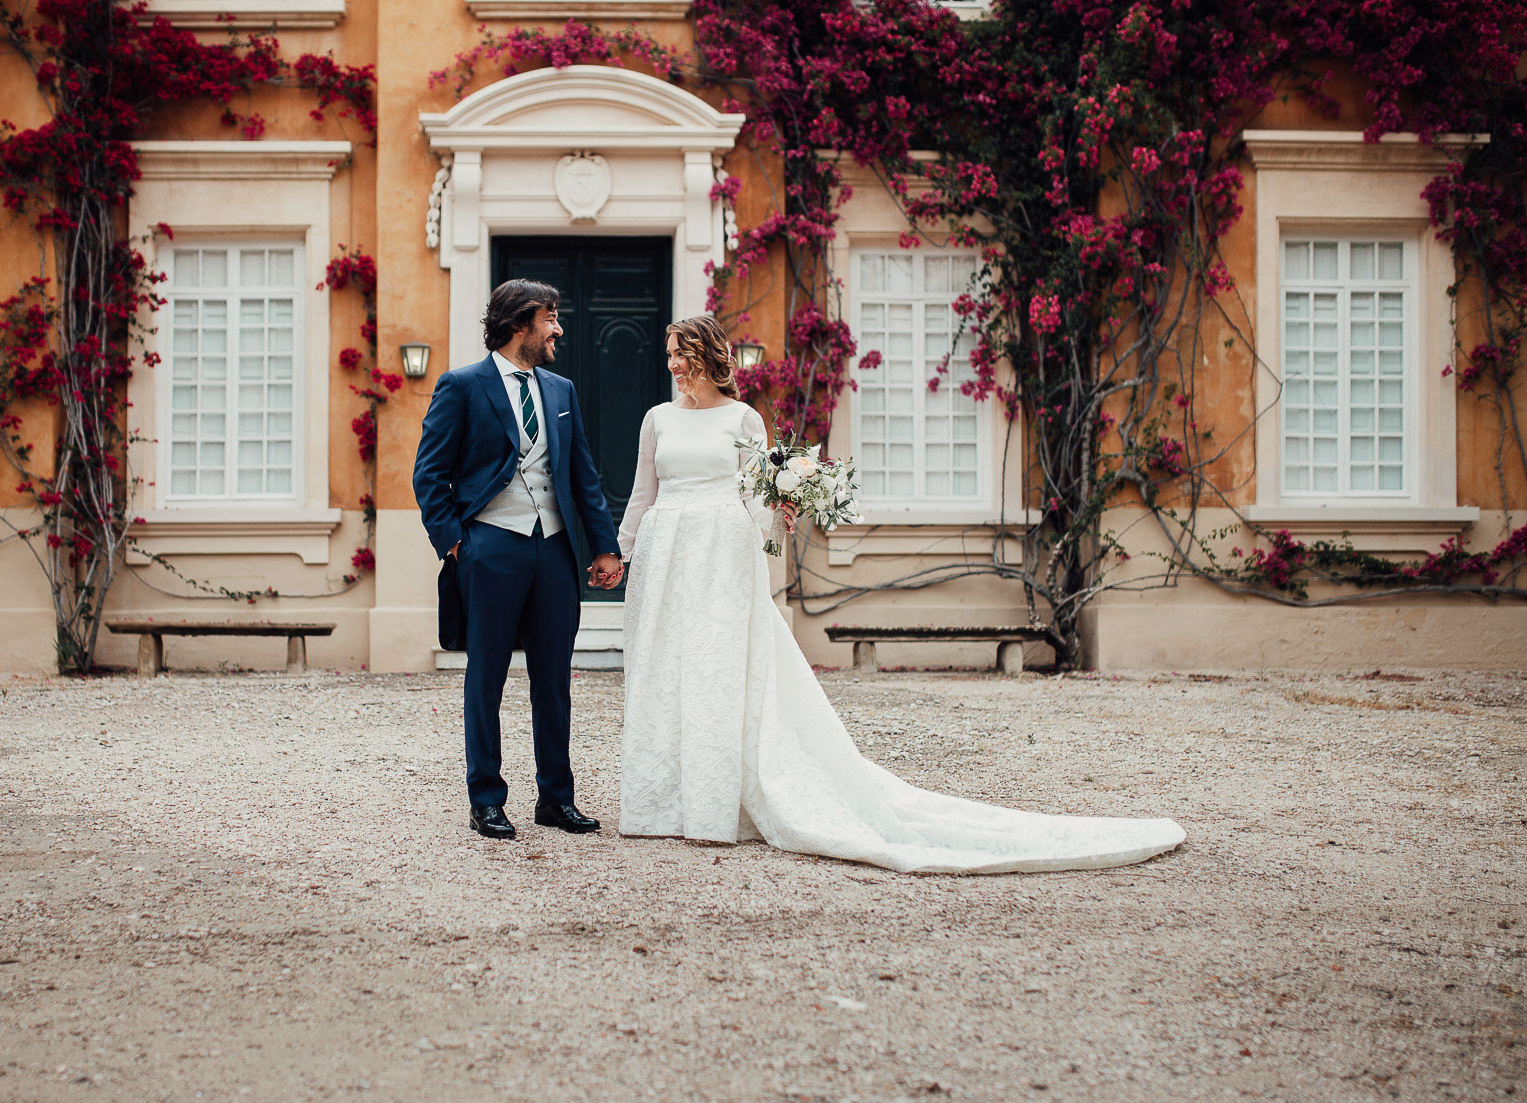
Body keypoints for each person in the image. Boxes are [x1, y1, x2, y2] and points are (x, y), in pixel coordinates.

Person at [614, 314, 1185, 873]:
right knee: (667, 670)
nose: (673, 367)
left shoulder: (744, 419)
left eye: (681, 356)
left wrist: (777, 515)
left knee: (716, 669)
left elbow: (756, 499)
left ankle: (715, 805)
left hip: (721, 554)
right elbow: (643, 493)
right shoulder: (655, 418)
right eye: (668, 356)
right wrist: (622, 553)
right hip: (667, 555)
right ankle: (662, 802)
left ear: (711, 357)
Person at [412, 279, 625, 840]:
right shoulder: (461, 386)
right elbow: (428, 474)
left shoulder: (561, 390)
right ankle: (486, 799)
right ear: (518, 324)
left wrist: (604, 546)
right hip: (490, 547)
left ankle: (556, 798)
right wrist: (456, 542)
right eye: (549, 319)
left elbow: (582, 474)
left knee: (553, 679)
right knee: (486, 678)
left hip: (553, 549)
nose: (558, 329)